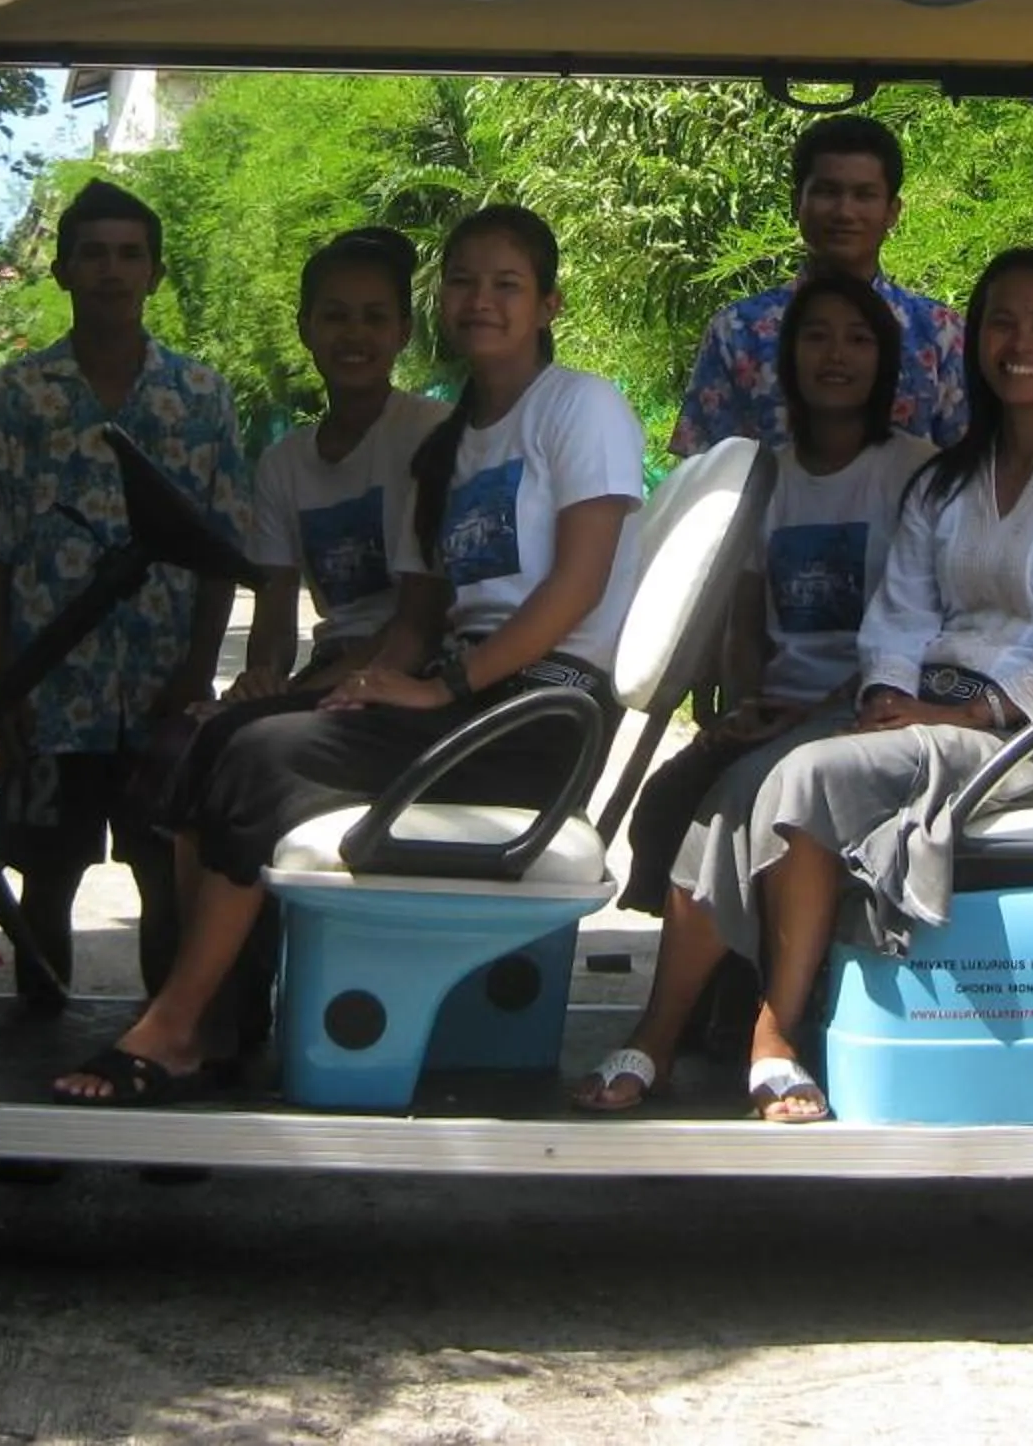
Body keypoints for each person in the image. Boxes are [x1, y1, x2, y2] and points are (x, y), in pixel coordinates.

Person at [53, 204, 648, 1105]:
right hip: (471, 694)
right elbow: (420, 615)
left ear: (548, 304)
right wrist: (361, 680)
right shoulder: (448, 446)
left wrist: (442, 686)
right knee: (222, 738)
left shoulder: (580, 406)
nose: (480, 300)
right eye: (463, 281)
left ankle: (177, 1029)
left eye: (507, 284)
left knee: (262, 758)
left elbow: (578, 586)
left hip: (541, 715)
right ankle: (211, 1021)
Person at [687, 246, 1033, 1122]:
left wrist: (967, 711)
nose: (1020, 344)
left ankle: (777, 1035)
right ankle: (671, 1029)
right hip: (926, 711)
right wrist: (885, 697)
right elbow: (900, 610)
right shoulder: (951, 475)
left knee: (808, 774)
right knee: (742, 781)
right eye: (1002, 323)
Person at [573, 272, 939, 1112]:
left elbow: (920, 621)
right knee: (670, 795)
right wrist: (744, 703)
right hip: (781, 710)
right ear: (787, 357)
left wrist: (810, 714)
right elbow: (743, 616)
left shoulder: (913, 472)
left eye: (858, 339)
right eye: (817, 337)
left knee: (734, 803)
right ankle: (721, 998)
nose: (836, 355)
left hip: (865, 707)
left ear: (885, 360)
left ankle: (696, 1032)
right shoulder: (764, 476)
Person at [0, 178, 248, 1004]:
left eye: (129, 255)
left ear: (155, 273)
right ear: (63, 270)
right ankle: (36, 1042)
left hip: (162, 693)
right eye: (93, 255)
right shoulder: (16, 397)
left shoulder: (201, 398)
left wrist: (197, 673)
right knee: (44, 879)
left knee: (166, 876)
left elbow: (223, 547)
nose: (111, 271)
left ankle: (158, 1044)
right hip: (51, 692)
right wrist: (3, 682)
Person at [670, 112, 969, 455]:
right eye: (827, 192)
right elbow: (704, 474)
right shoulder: (737, 332)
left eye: (864, 195)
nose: (844, 212)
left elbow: (971, 472)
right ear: (797, 202)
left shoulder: (940, 333)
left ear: (892, 211)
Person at [233, 227, 448, 697]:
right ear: (305, 328)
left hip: (418, 667)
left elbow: (422, 620)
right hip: (332, 665)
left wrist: (308, 697)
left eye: (375, 318)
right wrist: (261, 683)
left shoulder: (434, 433)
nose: (355, 334)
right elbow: (273, 618)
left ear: (403, 331)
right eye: (335, 316)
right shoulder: (281, 465)